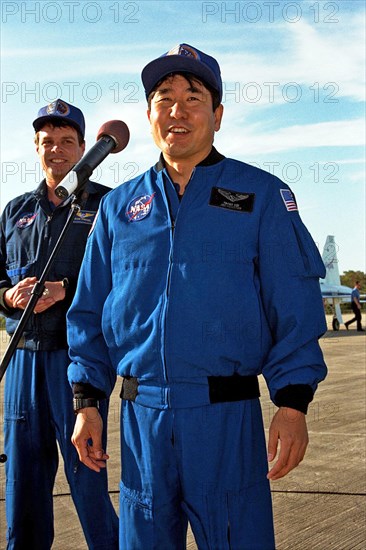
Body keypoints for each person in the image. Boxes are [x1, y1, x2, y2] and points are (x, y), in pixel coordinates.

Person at [67, 44, 328, 550]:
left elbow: (293, 306)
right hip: (141, 422)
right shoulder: (118, 208)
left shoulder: (262, 196)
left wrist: (293, 404)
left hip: (226, 421)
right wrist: (86, 402)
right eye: (164, 98)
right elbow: (89, 310)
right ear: (149, 116)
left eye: (193, 96)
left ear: (218, 114)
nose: (177, 110)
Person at [0, 99, 118, 549]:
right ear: (36, 148)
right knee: (23, 483)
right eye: (47, 141)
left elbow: (126, 274)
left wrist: (66, 289)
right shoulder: (15, 211)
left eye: (67, 141)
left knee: (86, 475)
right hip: (22, 362)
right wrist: (8, 296)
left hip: (76, 361)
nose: (57, 150)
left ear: (84, 148)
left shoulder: (108, 205)